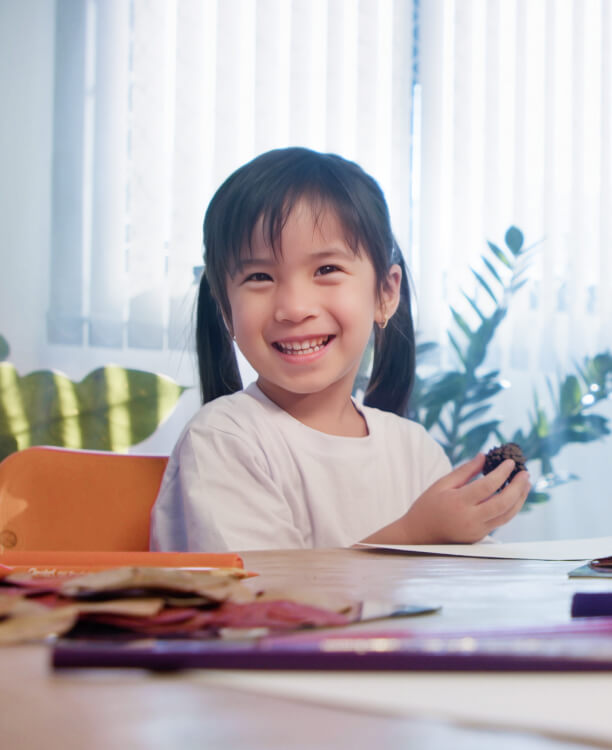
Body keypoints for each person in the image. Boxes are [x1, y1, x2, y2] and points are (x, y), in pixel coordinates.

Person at [150, 147, 530, 552]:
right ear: (226, 309)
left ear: (385, 293)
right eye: (260, 276)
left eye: (326, 270)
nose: (294, 308)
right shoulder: (225, 438)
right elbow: (261, 601)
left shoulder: (414, 450)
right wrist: (412, 535)